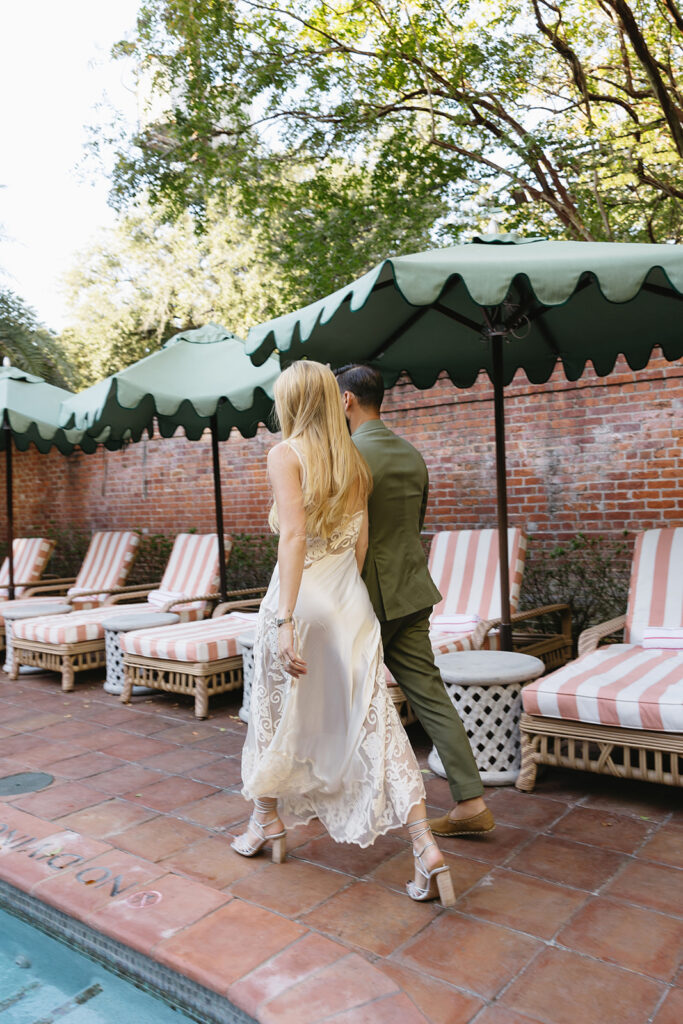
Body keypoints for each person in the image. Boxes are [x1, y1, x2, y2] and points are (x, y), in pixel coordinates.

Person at [233, 360, 455, 905]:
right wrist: (343, 602)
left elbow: (293, 536)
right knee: (374, 720)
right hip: (350, 606)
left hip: (300, 602)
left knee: (273, 711)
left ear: (293, 404)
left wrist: (285, 621)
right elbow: (359, 541)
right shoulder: (354, 461)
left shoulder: (284, 455)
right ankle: (426, 845)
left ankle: (266, 820)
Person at [333, 364, 494, 837]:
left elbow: (350, 535)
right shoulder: (411, 453)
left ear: (347, 401)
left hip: (367, 596)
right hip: (414, 589)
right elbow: (412, 525)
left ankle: (365, 800)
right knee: (430, 696)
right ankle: (471, 801)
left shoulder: (347, 456)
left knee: (342, 697)